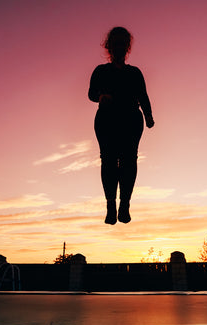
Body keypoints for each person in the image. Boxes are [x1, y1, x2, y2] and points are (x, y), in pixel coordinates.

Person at [88, 27, 155, 225]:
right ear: (109, 46)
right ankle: (110, 204)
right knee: (108, 161)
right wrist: (101, 96)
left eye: (122, 43)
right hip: (107, 119)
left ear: (127, 47)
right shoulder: (101, 71)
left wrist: (149, 115)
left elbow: (143, 95)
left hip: (131, 120)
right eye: (115, 43)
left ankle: (124, 204)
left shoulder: (134, 73)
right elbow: (91, 93)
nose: (119, 47)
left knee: (129, 161)